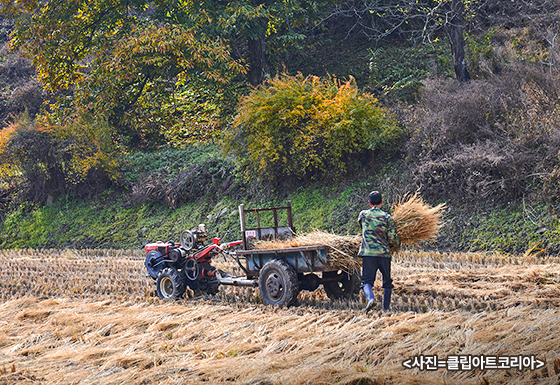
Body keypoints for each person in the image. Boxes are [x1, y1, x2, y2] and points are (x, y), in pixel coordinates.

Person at [357, 190, 400, 312]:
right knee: (387, 281)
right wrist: (397, 244)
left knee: (366, 281)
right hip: (383, 254)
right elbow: (392, 238)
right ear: (381, 202)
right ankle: (386, 308)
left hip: (368, 254)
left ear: (369, 203)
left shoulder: (363, 215)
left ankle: (370, 299)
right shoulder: (387, 217)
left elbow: (361, 226)